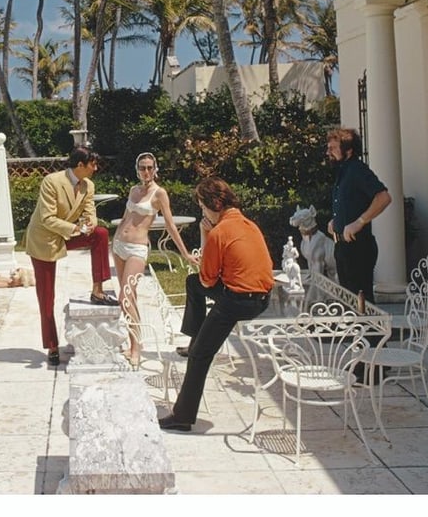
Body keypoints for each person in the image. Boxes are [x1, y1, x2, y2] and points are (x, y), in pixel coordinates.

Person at [158, 177, 274, 432]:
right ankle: (195, 337)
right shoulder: (248, 225)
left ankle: (182, 417)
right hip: (262, 299)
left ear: (215, 204)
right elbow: (205, 280)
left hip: (239, 301)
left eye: (202, 207)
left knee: (200, 355)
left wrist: (206, 233)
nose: (202, 212)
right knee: (192, 284)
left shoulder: (220, 231)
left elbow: (208, 279)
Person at [24, 145, 115, 367]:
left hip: (69, 233)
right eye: (92, 164)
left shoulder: (88, 185)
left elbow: (89, 212)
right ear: (80, 165)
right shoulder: (52, 182)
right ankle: (52, 346)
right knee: (46, 297)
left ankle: (98, 290)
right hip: (44, 240)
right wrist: (76, 230)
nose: (95, 167)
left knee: (101, 234)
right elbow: (47, 218)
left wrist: (90, 224)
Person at [111, 152, 198, 366]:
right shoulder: (133, 190)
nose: (146, 171)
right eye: (142, 167)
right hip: (119, 245)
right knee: (127, 300)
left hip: (137, 248)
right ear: (137, 169)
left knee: (126, 295)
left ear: (155, 169)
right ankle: (134, 344)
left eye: (150, 167)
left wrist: (184, 252)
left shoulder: (159, 194)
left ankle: (136, 349)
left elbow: (169, 225)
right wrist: (114, 239)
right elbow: (126, 218)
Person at [326, 127, 391, 305]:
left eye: (333, 148)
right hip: (342, 246)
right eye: (328, 148)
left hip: (358, 247)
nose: (328, 152)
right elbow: (352, 202)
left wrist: (360, 222)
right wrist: (336, 219)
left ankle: (371, 334)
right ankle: (358, 332)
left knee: (362, 303)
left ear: (349, 150)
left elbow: (384, 197)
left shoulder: (357, 170)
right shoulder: (343, 172)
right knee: (349, 302)